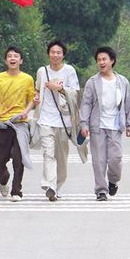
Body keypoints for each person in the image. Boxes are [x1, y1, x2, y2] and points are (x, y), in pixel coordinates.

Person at [80, 46, 130, 201]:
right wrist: (84, 124)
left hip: (116, 126)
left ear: (112, 61)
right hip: (97, 126)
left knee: (116, 159)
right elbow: (86, 104)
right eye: (98, 60)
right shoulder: (92, 82)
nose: (101, 62)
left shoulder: (122, 82)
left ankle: (113, 181)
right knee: (99, 160)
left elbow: (128, 103)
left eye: (104, 59)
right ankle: (101, 190)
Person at [33, 40, 81, 202]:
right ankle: (50, 185)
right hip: (45, 119)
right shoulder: (42, 71)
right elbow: (37, 89)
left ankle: (58, 185)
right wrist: (36, 96)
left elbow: (75, 94)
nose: (55, 55)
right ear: (48, 54)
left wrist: (59, 88)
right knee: (48, 153)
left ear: (63, 55)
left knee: (61, 157)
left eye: (58, 52)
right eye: (52, 52)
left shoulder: (69, 71)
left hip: (64, 121)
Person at [0, 46, 36, 201]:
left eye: (16, 56)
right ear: (6, 60)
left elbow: (32, 100)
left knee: (18, 158)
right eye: (9, 56)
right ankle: (3, 179)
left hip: (21, 124)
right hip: (3, 124)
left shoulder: (28, 79)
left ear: (21, 60)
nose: (12, 58)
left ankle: (16, 191)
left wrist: (26, 110)